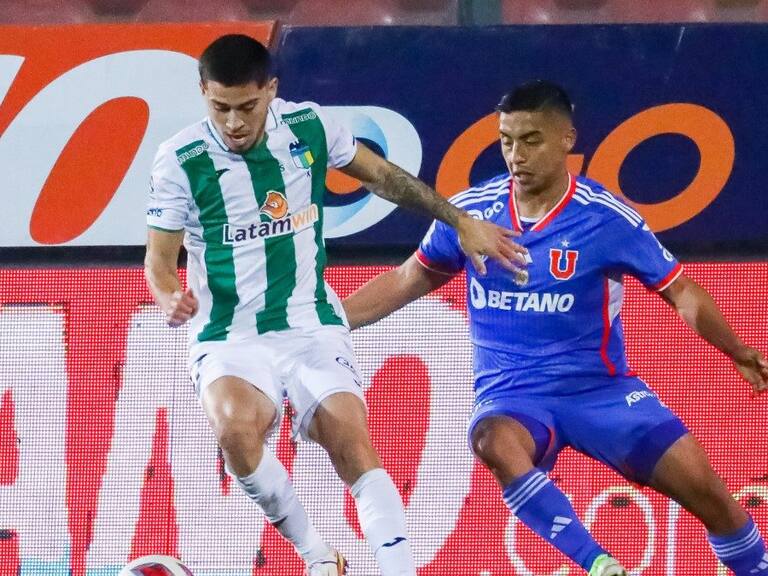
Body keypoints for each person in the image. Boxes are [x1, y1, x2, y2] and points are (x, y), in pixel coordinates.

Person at [342, 80, 768, 576]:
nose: (515, 155)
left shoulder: (605, 218)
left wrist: (736, 349)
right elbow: (406, 279)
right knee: (491, 440)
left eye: (531, 140)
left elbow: (682, 292)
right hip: (512, 396)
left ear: (567, 139)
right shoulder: (471, 215)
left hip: (601, 392)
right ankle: (600, 564)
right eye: (506, 140)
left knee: (713, 498)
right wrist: (324, 323)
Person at [144, 34, 524, 576]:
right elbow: (158, 259)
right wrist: (168, 295)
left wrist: (459, 220)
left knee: (349, 437)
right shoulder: (179, 160)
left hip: (310, 322)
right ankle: (319, 556)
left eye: (247, 107)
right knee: (233, 432)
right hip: (228, 334)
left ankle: (399, 569)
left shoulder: (310, 127)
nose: (233, 122)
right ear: (203, 92)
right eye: (220, 107)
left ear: (271, 90)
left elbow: (386, 178)